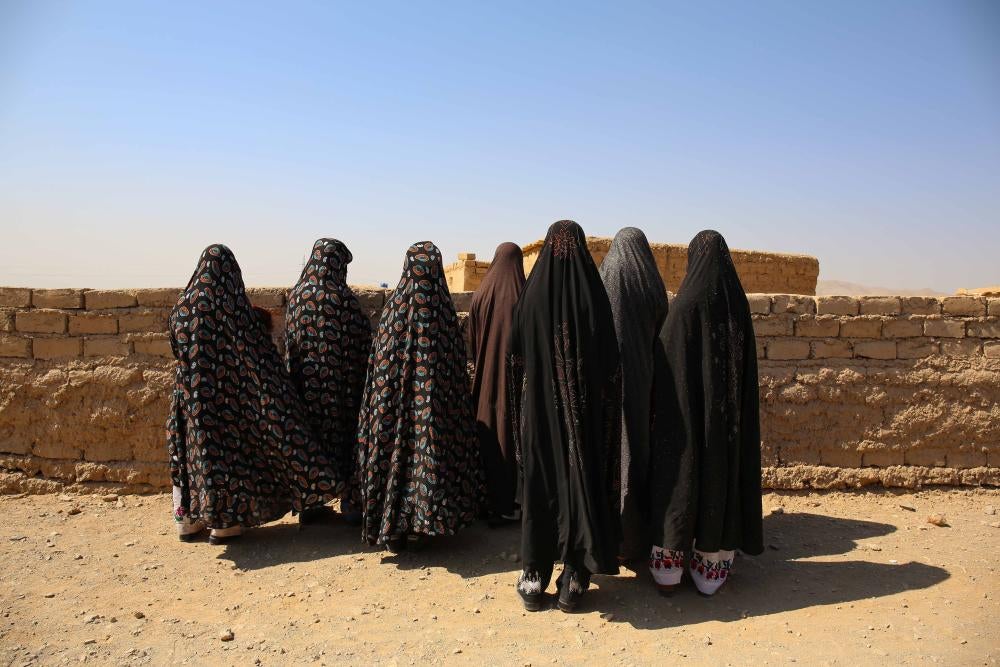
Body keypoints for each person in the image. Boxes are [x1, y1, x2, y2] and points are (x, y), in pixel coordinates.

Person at [167, 244, 344, 544]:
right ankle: (224, 525)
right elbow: (255, 351)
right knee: (227, 455)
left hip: (190, 399)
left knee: (192, 453)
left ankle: (188, 522)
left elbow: (176, 349)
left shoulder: (181, 309)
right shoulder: (232, 307)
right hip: (229, 398)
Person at [507, 220, 622, 612]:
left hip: (538, 415)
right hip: (583, 417)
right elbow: (611, 363)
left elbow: (514, 356)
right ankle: (574, 577)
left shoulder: (531, 296)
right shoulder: (592, 295)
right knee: (579, 483)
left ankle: (533, 575)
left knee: (541, 486)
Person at [648, 230, 763, 596]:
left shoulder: (685, 306)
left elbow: (666, 359)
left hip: (684, 419)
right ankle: (710, 569)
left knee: (680, 478)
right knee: (719, 479)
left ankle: (668, 571)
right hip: (726, 423)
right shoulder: (737, 305)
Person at [356, 241, 484, 552]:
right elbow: (456, 370)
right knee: (429, 455)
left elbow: (378, 369)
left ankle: (393, 526)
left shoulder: (393, 312)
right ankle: (424, 523)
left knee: (394, 457)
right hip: (434, 417)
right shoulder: (444, 315)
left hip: (392, 416)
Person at [285, 238, 372, 525]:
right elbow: (363, 342)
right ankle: (350, 505)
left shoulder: (296, 298)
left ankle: (310, 504)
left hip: (304, 389)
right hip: (341, 391)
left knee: (310, 443)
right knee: (346, 442)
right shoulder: (344, 300)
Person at [598, 227, 668, 562]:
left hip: (605, 385)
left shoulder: (605, 275)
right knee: (636, 452)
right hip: (643, 383)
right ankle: (635, 535)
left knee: (607, 454)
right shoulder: (650, 280)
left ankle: (607, 537)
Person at [468, 242, 526, 525]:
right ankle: (505, 505)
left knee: (486, 437)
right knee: (510, 439)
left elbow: (472, 342)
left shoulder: (480, 294)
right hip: (513, 383)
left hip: (484, 382)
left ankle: (481, 499)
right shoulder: (523, 294)